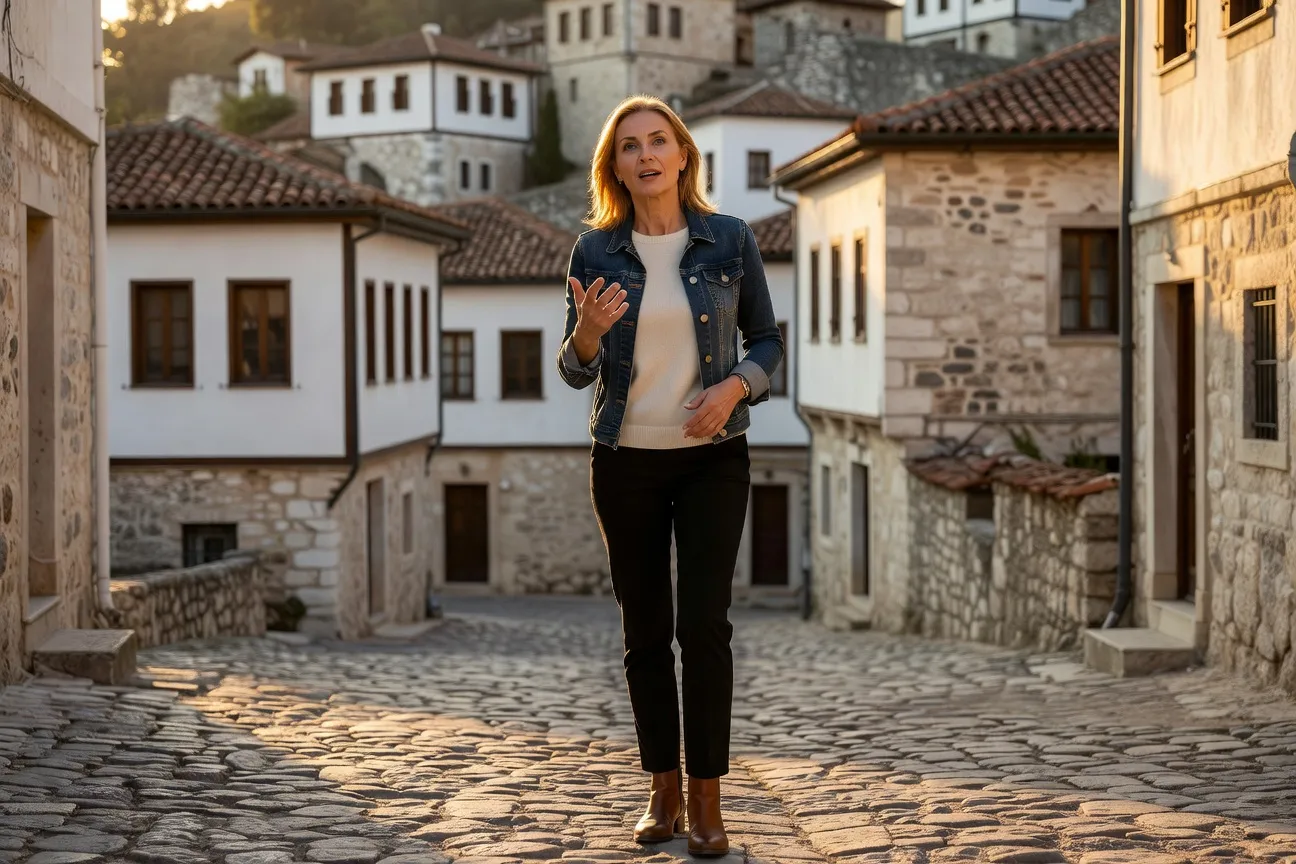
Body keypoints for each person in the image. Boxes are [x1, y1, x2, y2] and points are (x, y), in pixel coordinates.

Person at [555, 94, 784, 858]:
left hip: (714, 458)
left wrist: (735, 387)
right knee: (645, 632)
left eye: (658, 141)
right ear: (615, 167)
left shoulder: (730, 238)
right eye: (630, 146)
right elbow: (572, 370)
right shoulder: (593, 253)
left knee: (704, 628)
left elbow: (767, 340)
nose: (646, 155)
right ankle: (663, 790)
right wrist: (587, 336)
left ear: (683, 155)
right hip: (624, 462)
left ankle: (708, 801)